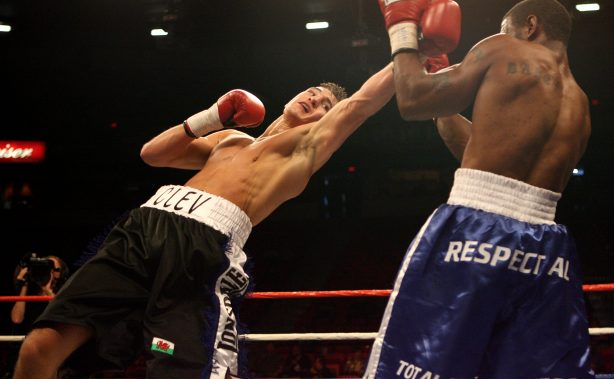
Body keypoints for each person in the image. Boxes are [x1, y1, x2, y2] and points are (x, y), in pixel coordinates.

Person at [13, 63, 395, 379]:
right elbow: (152, 154)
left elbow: (360, 104)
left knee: (182, 370)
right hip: (142, 227)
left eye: (326, 103)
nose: (315, 98)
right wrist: (213, 116)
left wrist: (406, 43)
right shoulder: (230, 138)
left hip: (201, 245)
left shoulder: (303, 150)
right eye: (313, 90)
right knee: (39, 347)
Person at [365, 0, 593, 378]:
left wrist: (402, 31)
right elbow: (479, 150)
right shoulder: (579, 105)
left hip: (473, 231)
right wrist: (441, 86)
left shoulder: (503, 48)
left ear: (530, 26)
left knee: (416, 366)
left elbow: (412, 98)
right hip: (546, 251)